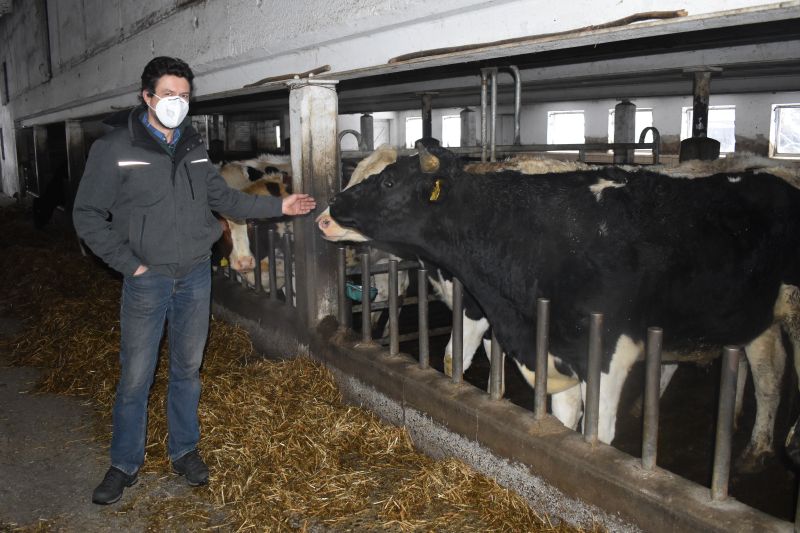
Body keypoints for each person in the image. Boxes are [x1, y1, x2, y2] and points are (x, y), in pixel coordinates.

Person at [73, 56, 316, 505]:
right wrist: (130, 265)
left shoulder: (194, 145)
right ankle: (124, 463)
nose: (176, 103)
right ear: (146, 96)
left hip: (195, 276)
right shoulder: (114, 148)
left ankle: (184, 450)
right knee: (135, 376)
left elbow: (225, 200)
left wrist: (279, 208)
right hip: (147, 280)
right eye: (168, 95)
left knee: (188, 370)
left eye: (184, 96)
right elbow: (87, 215)